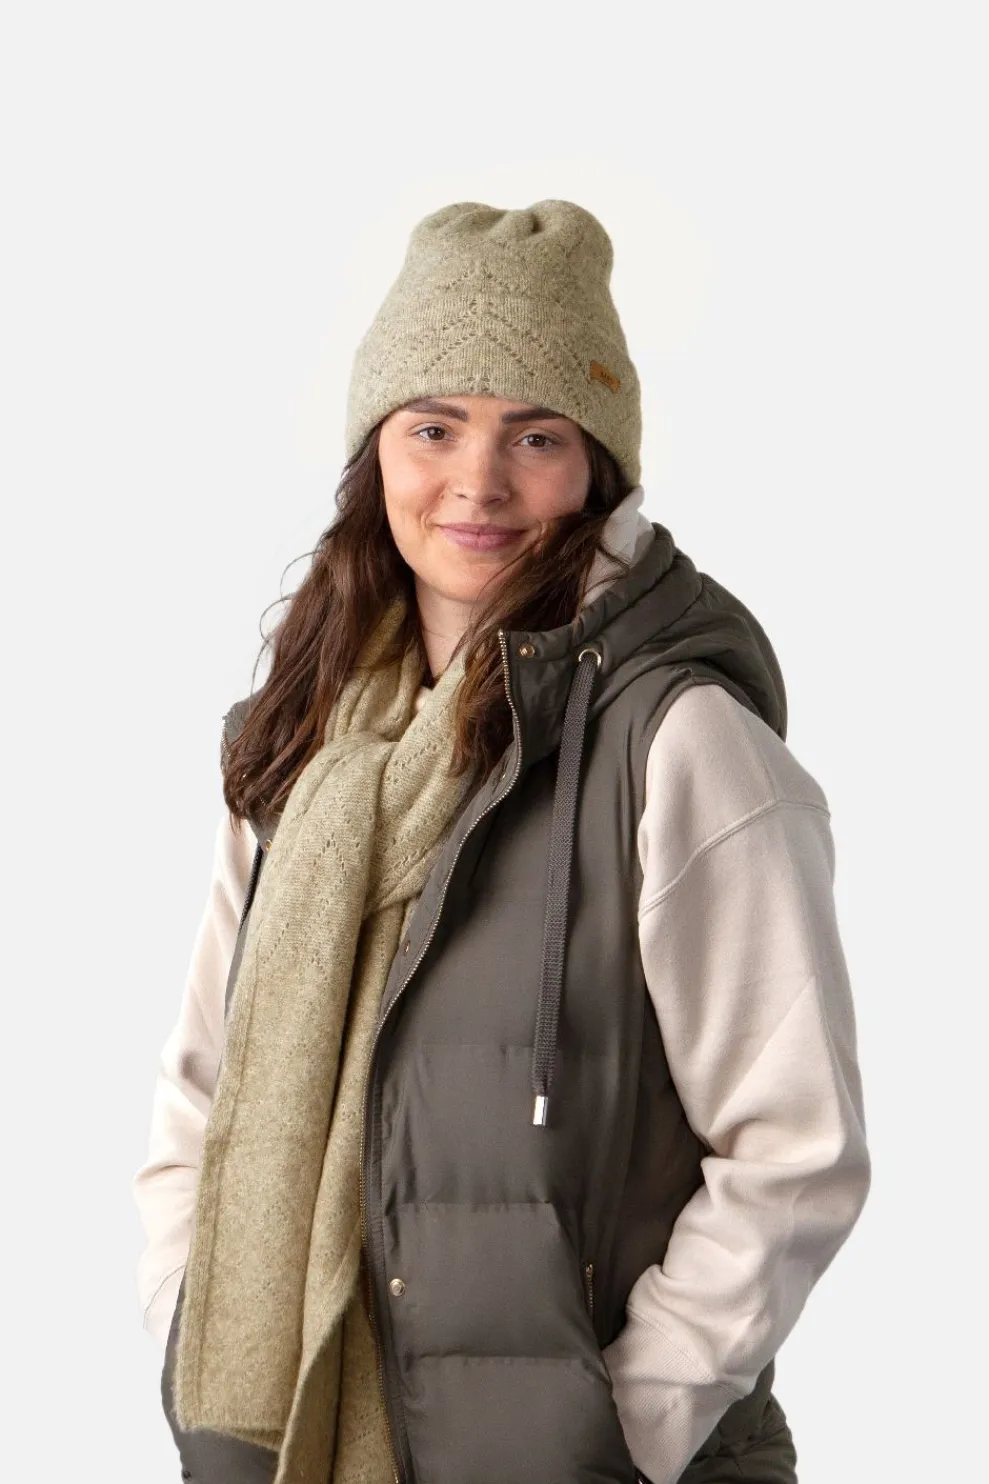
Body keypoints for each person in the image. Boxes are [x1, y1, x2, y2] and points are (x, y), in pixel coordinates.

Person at [133, 199, 871, 1484]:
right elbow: (204, 1088)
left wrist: (620, 1430)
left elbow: (794, 1148)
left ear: (596, 467)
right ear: (376, 450)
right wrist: (190, 1326)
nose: (476, 482)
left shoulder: (679, 740)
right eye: (433, 427)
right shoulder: (303, 743)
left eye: (534, 435)